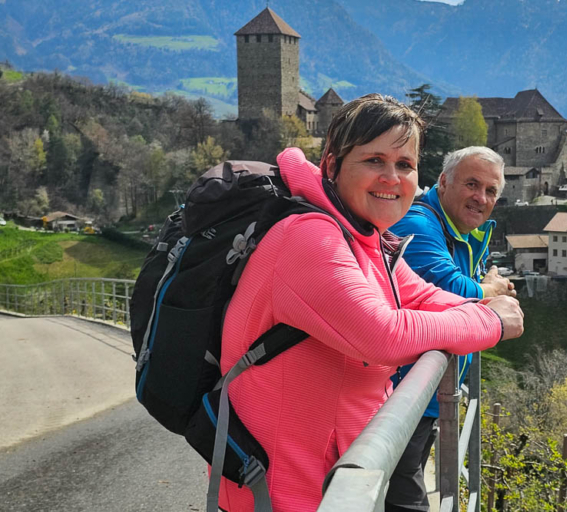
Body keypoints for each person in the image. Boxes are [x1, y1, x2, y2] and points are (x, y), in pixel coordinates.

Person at [216, 94, 525, 512]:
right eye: (374, 160)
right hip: (280, 493)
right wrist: (491, 322)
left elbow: (422, 296)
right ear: (331, 165)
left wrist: (478, 308)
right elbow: (382, 334)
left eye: (404, 165)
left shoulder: (365, 238)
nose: (391, 178)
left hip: (335, 482)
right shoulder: (310, 238)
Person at [386, 146, 514, 512]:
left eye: (491, 191)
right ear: (443, 181)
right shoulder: (418, 224)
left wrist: (485, 283)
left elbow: (465, 281)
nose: (481, 197)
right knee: (404, 497)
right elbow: (453, 290)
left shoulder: (452, 227)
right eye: (471, 184)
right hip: (397, 395)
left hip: (423, 396)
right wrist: (494, 291)